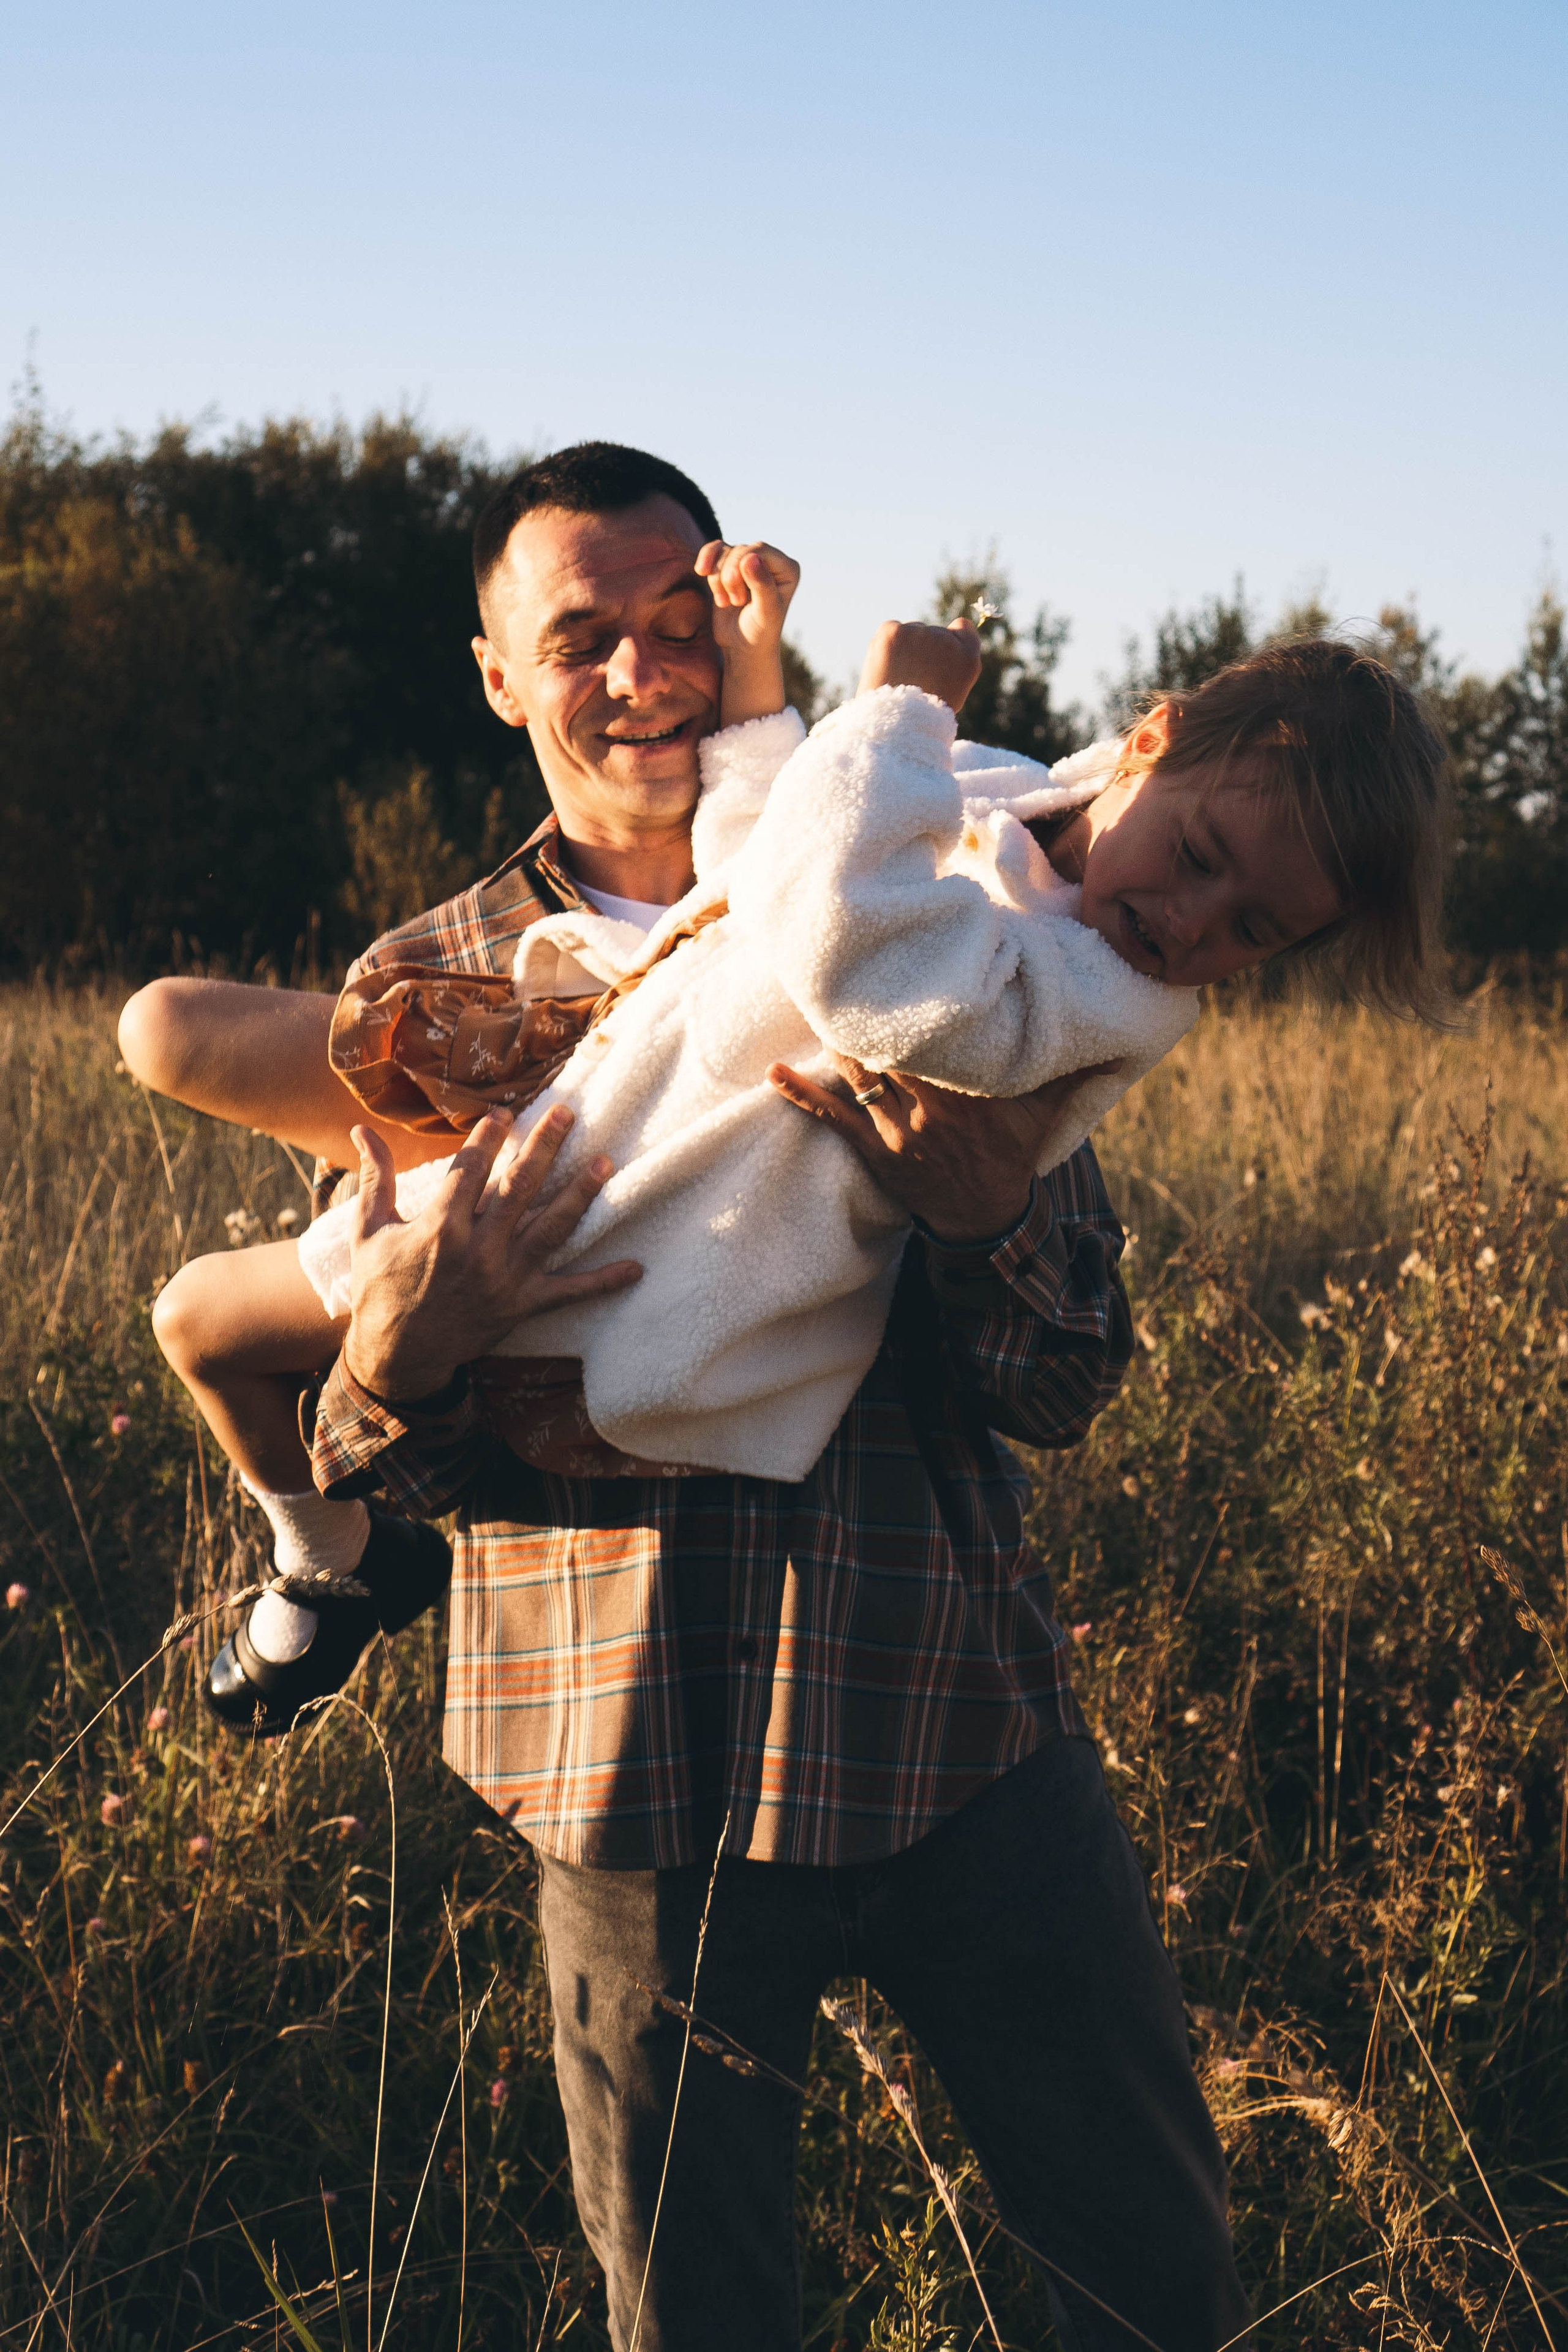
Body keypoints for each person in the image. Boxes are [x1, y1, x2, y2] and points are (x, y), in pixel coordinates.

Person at [120, 440, 1450, 2351]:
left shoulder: (980, 902)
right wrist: (412, 1341)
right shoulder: (437, 987)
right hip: (625, 1762)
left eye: (681, 620)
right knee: (697, 2306)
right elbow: (380, 1451)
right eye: (580, 637)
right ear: (500, 676)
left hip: (952, 1724)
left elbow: (1065, 1377)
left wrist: (985, 1219)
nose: (640, 671)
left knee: (1151, 2268)